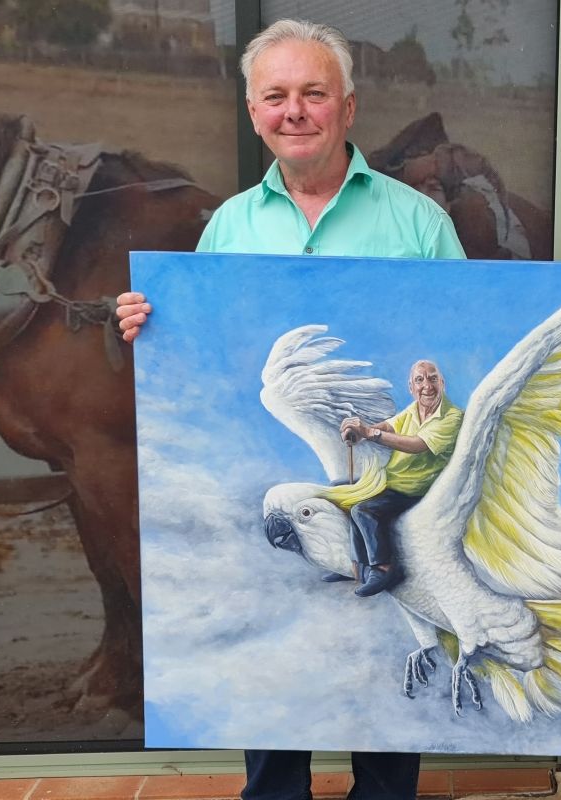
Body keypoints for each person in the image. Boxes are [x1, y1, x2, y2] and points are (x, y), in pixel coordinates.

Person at [116, 18, 466, 800]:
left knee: (390, 699)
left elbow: (450, 347)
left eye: (314, 93)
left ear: (348, 108)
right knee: (274, 694)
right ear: (253, 113)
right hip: (281, 478)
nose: (295, 110)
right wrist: (152, 328)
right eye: (276, 96)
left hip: (393, 479)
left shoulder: (418, 223)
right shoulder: (229, 226)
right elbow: (202, 357)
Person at [336, 359, 463, 597]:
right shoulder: (414, 410)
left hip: (417, 490)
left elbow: (417, 445)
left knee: (363, 510)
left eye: (433, 378)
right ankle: (356, 566)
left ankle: (384, 569)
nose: (427, 386)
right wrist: (360, 433)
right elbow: (388, 426)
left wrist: (369, 433)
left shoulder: (452, 417)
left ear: (442, 383)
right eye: (420, 380)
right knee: (340, 491)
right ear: (411, 387)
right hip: (394, 482)